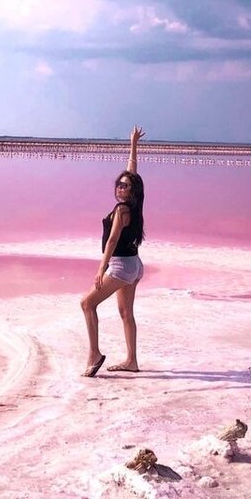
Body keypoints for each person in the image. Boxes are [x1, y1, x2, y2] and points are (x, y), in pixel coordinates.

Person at [81, 125, 146, 377]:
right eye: (118, 184)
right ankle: (132, 360)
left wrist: (101, 269)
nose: (120, 187)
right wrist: (133, 145)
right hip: (134, 265)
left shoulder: (122, 210)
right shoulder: (135, 204)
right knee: (126, 312)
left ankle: (94, 354)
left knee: (87, 303)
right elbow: (133, 171)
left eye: (125, 186)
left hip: (120, 266)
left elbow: (111, 241)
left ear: (133, 191)